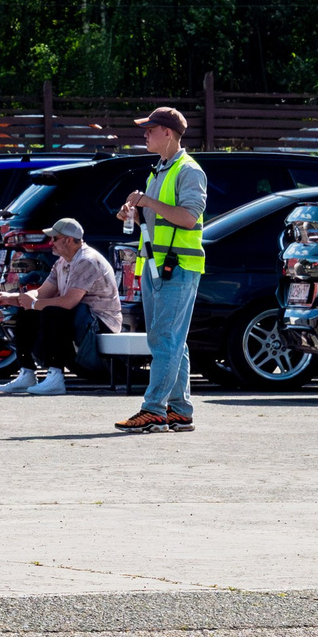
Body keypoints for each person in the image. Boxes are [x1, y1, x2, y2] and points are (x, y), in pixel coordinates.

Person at [113, 107, 207, 435]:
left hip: (177, 267)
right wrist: (135, 214)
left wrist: (147, 203)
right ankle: (179, 410)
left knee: (164, 338)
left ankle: (154, 410)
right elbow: (160, 221)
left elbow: (189, 218)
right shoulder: (159, 171)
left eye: (150, 129)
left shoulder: (188, 170)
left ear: (168, 132)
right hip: (158, 267)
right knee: (171, 341)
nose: (145, 134)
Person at [0, 218, 121, 397]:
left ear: (67, 240)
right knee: (29, 312)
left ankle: (56, 375)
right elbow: (42, 293)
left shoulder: (87, 260)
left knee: (54, 311)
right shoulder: (62, 262)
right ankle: (27, 372)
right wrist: (12, 299)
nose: (51, 243)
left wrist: (34, 303)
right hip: (81, 320)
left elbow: (69, 301)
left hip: (100, 324)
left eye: (55, 238)